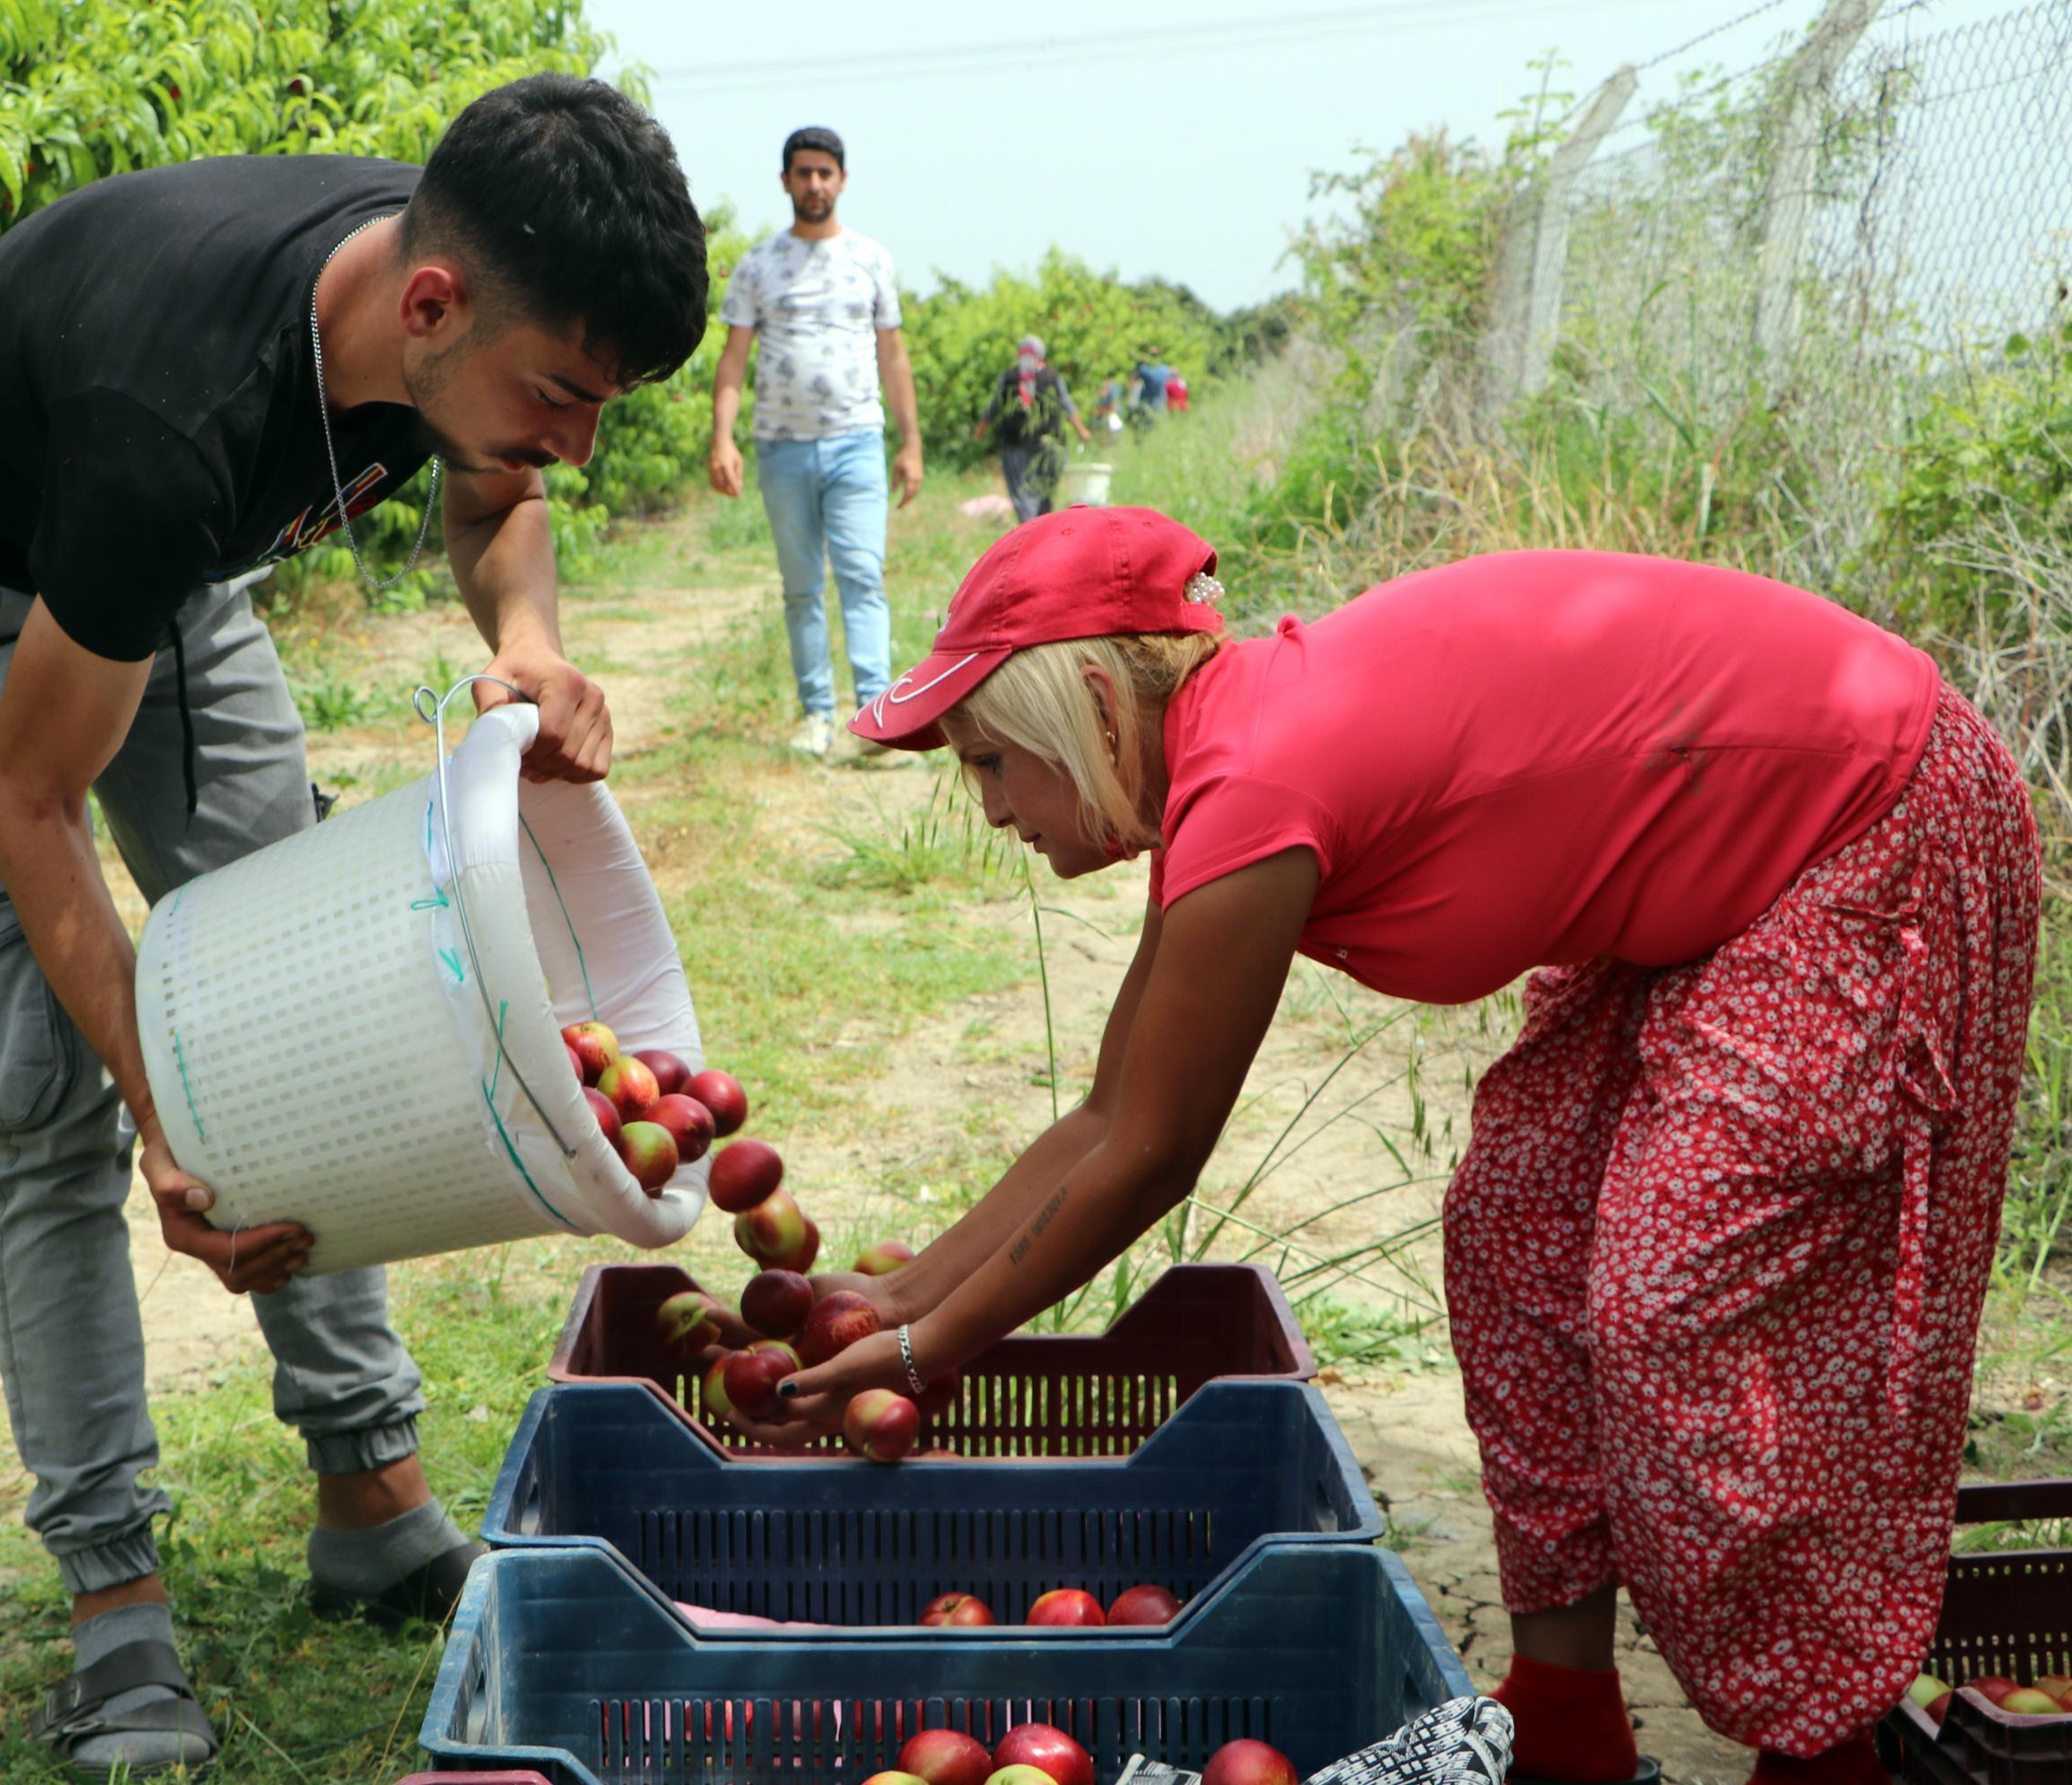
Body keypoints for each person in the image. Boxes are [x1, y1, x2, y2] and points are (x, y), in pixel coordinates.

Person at [763, 507, 2041, 1785]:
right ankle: (1564, 1710)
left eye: (992, 762)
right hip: (1718, 867)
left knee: (1677, 1300)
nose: (991, 808)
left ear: (1094, 709)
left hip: (1869, 813)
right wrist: (903, 1296)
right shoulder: (1214, 769)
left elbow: (1154, 1151)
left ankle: (1820, 1750)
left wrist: (934, 1349)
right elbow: (1105, 1113)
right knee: (1515, 1225)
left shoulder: (1253, 784)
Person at [0, 74, 709, 1778]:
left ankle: (372, 1496)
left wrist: (528, 643)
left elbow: (495, 491)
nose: (579, 446)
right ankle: (115, 1601)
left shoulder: (469, 276)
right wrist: (161, 1099)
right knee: (55, 1100)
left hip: (162, 580)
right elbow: (31, 805)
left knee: (317, 1013)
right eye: (564, 398)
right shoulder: (172, 409)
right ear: (430, 307)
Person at [707, 125, 924, 761]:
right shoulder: (758, 265)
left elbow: (894, 356)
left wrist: (911, 442)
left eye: (825, 173)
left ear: (842, 181)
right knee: (801, 586)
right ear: (786, 181)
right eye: (803, 172)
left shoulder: (871, 259)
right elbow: (733, 360)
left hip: (857, 440)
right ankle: (816, 714)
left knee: (863, 575)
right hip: (782, 447)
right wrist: (722, 439)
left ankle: (875, 714)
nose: (814, 183)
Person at [973, 335, 1092, 524]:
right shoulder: (1052, 376)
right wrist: (1082, 431)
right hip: (1049, 444)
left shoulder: (1009, 377)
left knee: (1023, 496)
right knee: (1045, 495)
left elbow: (993, 407)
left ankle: (1030, 531)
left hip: (1014, 446)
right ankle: (1043, 532)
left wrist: (979, 430)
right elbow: (1067, 404)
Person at [1129, 348, 1175, 434]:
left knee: (1146, 429)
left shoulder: (1147, 370)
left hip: (1148, 405)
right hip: (1161, 403)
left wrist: (1139, 363)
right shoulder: (1166, 370)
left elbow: (1133, 378)